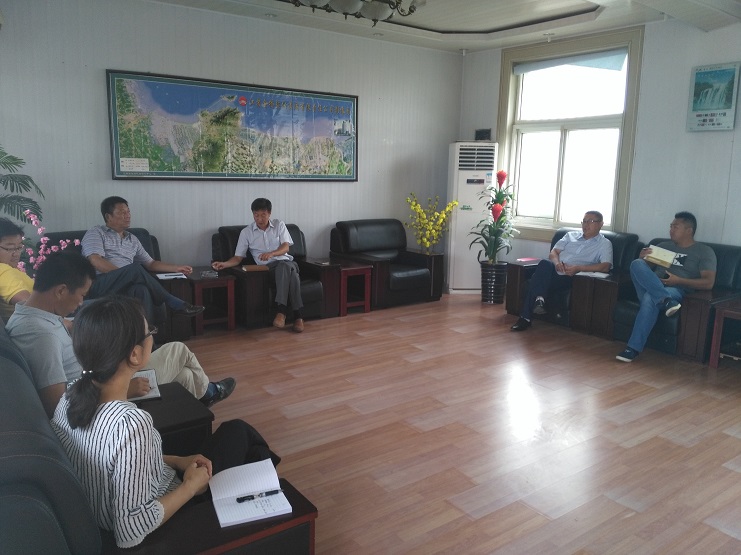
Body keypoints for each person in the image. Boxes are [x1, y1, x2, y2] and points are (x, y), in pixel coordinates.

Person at [50, 295, 279, 549]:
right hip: (171, 516)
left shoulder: (69, 397)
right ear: (135, 354)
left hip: (134, 493)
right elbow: (130, 531)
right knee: (240, 433)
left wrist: (177, 460)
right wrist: (190, 487)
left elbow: (118, 461)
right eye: (150, 332)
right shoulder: (132, 426)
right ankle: (270, 519)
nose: (152, 337)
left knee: (240, 437)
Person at [6, 251, 235, 418]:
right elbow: (57, 406)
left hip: (102, 376)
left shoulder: (36, 314)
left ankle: (195, 412)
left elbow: (66, 330)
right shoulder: (40, 336)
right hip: (107, 390)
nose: (81, 303)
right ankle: (208, 393)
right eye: (82, 295)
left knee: (185, 377)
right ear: (61, 291)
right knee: (179, 350)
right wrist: (123, 389)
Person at [81, 196, 204, 323]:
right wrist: (125, 274)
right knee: (134, 269)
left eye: (128, 211)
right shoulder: (96, 232)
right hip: (99, 283)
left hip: (125, 283)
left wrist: (177, 268)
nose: (128, 215)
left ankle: (147, 331)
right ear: (108, 216)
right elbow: (95, 260)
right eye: (122, 212)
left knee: (141, 289)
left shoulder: (132, 239)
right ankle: (173, 302)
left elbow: (151, 263)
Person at [616, 211, 716, 362]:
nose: (671, 230)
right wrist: (642, 258)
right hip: (652, 286)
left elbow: (708, 282)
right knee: (636, 263)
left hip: (676, 289)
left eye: (676, 227)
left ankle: (632, 348)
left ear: (689, 230)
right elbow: (643, 270)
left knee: (650, 298)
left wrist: (679, 280)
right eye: (671, 226)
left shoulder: (704, 252)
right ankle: (666, 301)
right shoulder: (663, 246)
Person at [212, 198, 304, 333]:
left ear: (269, 213)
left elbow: (286, 247)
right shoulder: (246, 232)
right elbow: (238, 258)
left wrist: (272, 253)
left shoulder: (279, 225)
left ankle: (281, 311)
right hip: (268, 269)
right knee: (293, 276)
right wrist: (224, 264)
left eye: (263, 215)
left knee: (286, 266)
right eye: (256, 215)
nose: (259, 219)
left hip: (288, 263)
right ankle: (298, 316)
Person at [511, 211, 613, 331]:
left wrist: (578, 268)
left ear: (600, 224)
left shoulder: (604, 244)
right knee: (545, 263)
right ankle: (539, 299)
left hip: (572, 276)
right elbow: (553, 252)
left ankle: (526, 317)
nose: (586, 225)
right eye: (584, 221)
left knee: (536, 280)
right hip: (555, 270)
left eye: (590, 221)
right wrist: (557, 263)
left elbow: (605, 266)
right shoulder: (570, 235)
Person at [0, 218, 33, 320]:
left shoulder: (10, 268)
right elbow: (30, 304)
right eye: (10, 248)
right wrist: (64, 322)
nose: (16, 254)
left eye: (18, 248)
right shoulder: (3, 269)